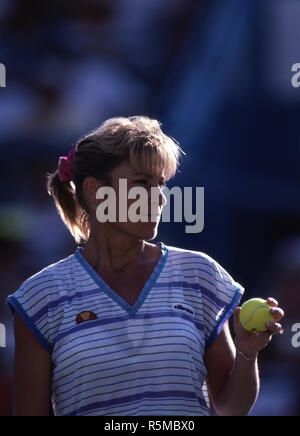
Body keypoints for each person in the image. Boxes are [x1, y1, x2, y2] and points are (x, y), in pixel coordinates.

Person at [7, 116, 284, 416]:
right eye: (141, 183)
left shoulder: (201, 275)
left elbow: (231, 408)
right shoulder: (38, 298)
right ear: (95, 191)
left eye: (161, 184)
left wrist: (246, 354)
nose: (159, 198)